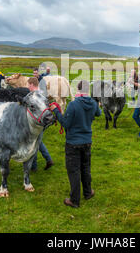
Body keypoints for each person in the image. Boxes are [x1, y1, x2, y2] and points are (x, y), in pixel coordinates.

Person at [50, 80, 101, 208]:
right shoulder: (93, 103)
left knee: (74, 171)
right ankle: (88, 193)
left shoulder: (73, 105)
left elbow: (66, 124)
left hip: (73, 143)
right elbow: (99, 113)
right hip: (87, 142)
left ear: (78, 90)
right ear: (87, 90)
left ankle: (74, 200)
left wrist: (56, 111)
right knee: (85, 168)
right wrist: (96, 104)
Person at [27, 77, 54, 172]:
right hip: (45, 120)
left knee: (34, 143)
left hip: (37, 122)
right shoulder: (43, 93)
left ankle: (33, 166)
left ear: (31, 84)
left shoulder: (32, 95)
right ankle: (48, 159)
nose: (28, 87)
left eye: (28, 85)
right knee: (38, 141)